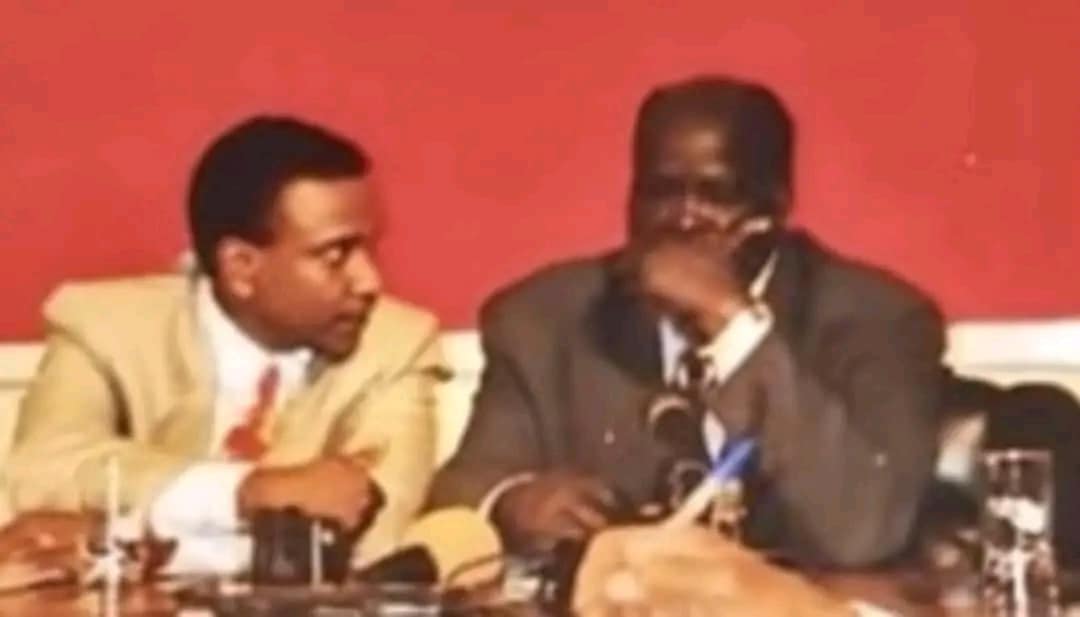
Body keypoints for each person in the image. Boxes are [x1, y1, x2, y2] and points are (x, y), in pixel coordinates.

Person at [429, 75, 945, 567]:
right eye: (661, 191)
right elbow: (461, 490)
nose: (684, 218)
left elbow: (867, 531)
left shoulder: (876, 319)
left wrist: (732, 326)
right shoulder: (548, 319)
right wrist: (510, 502)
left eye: (717, 194)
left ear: (777, 204)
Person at [7, 117, 442, 573]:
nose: (370, 281)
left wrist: (150, 547)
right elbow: (45, 472)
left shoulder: (397, 345)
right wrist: (243, 493)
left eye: (370, 249)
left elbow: (371, 545)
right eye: (335, 256)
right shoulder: (107, 327)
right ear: (241, 268)